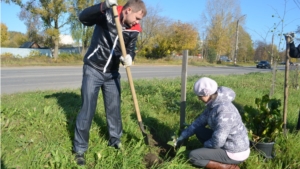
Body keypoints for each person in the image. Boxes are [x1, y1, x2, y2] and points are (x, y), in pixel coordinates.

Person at [73, 0, 147, 165]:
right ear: (128, 10)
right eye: (137, 18)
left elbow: (131, 48)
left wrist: (129, 57)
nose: (138, 22)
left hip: (112, 73)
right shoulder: (107, 15)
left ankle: (115, 141)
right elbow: (83, 18)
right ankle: (80, 149)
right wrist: (103, 5)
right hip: (93, 68)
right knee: (87, 109)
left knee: (114, 109)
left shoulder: (134, 30)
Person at [175, 77, 250, 169]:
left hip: (235, 151)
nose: (198, 99)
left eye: (199, 96)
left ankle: (229, 167)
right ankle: (212, 155)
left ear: (206, 94)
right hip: (226, 142)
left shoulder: (224, 110)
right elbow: (198, 123)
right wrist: (182, 136)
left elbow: (219, 140)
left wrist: (206, 145)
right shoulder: (213, 104)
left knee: (193, 156)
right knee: (199, 130)